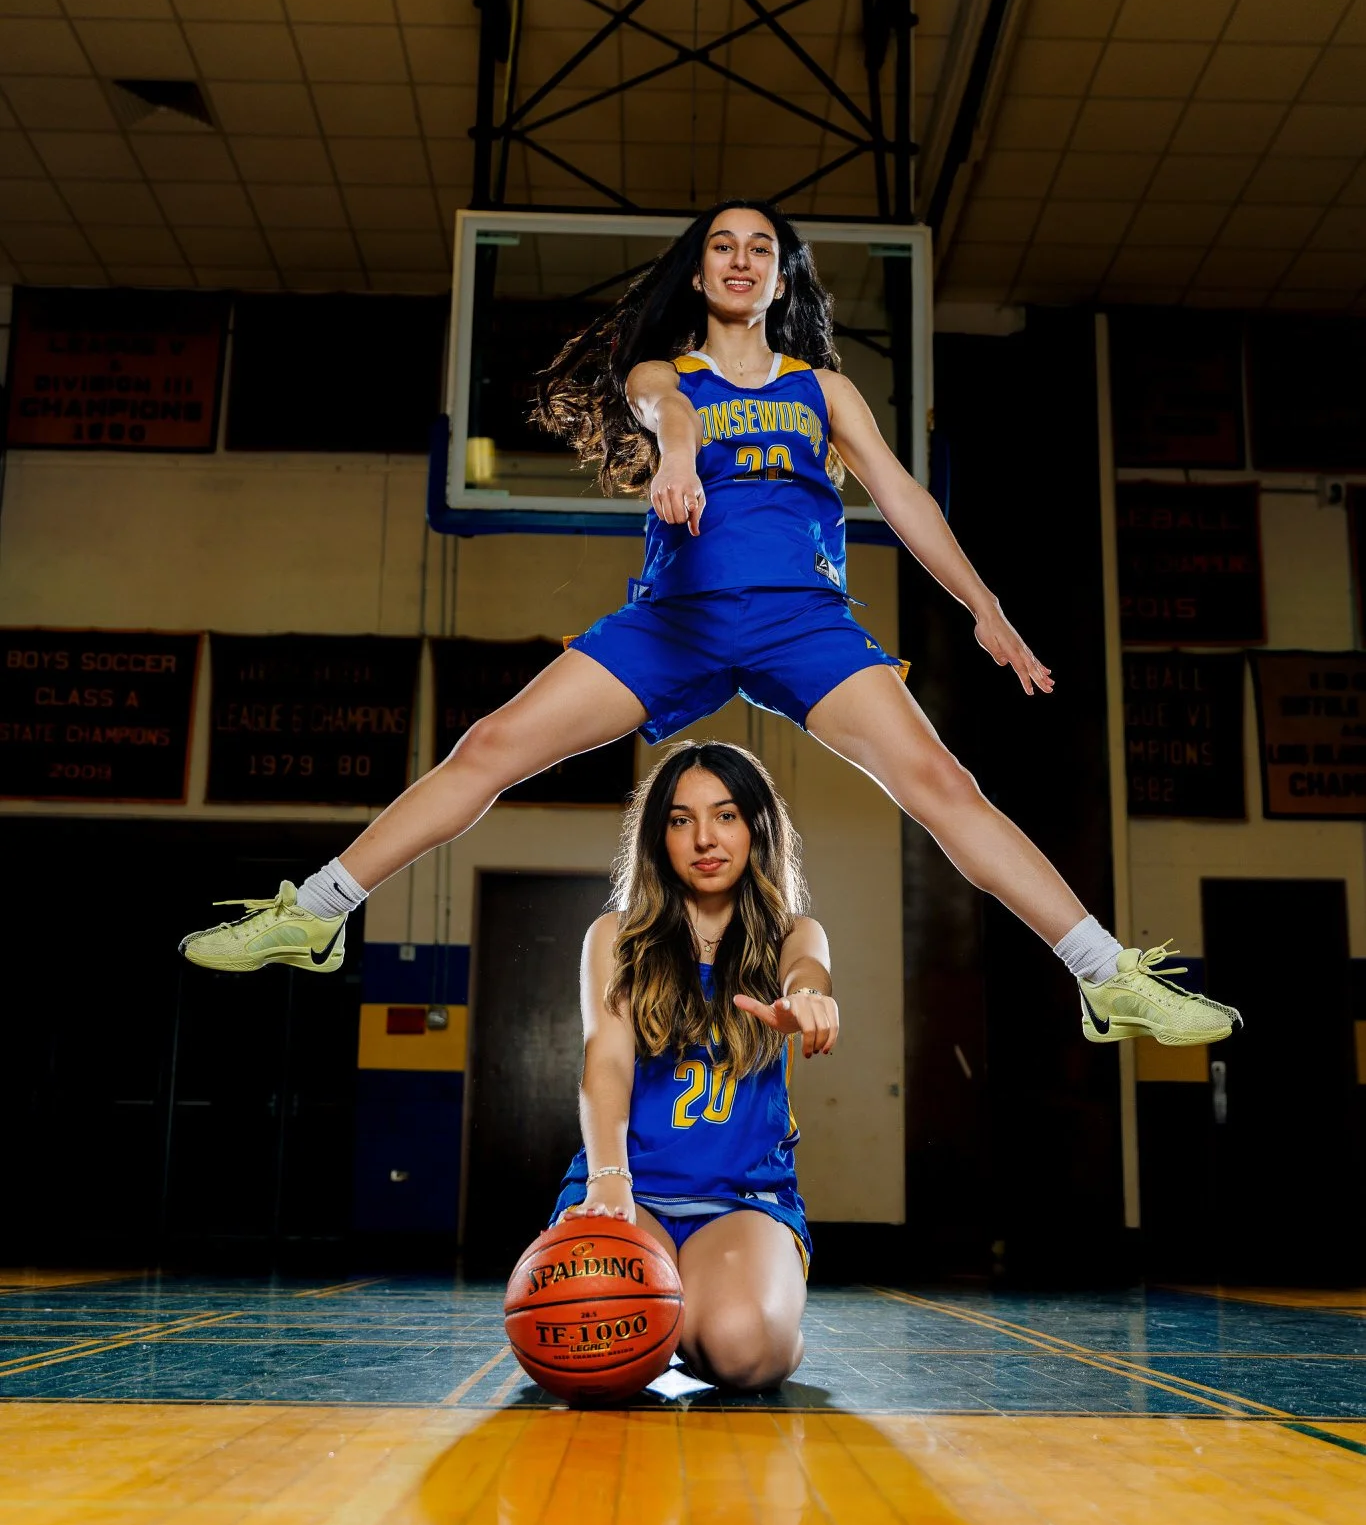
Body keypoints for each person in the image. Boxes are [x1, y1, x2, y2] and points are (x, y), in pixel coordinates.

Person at [180, 200, 1239, 1052]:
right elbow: (660, 411)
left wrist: (986, 606)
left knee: (944, 785)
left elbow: (904, 499)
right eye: (722, 247)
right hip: (674, 618)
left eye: (760, 249)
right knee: (489, 746)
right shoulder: (665, 374)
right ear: (698, 274)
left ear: (781, 276)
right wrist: (679, 451)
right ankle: (314, 910)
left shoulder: (824, 390)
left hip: (801, 620)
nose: (740, 260)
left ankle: (1108, 978)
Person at [553, 740, 825, 1392]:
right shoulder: (615, 936)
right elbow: (608, 1063)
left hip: (740, 1201)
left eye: (726, 815)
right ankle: (668, 1324)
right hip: (628, 1189)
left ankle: (737, 1321)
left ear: (757, 827)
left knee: (741, 1351)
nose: (705, 837)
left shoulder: (793, 934)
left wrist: (810, 1000)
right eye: (680, 819)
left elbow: (809, 974)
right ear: (658, 838)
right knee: (594, 1342)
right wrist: (608, 1180)